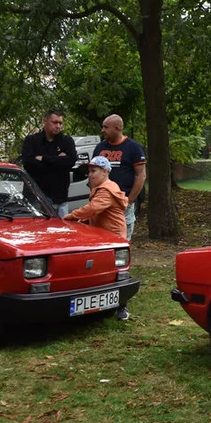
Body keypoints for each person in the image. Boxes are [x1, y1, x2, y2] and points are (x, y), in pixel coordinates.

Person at [64, 156, 131, 319]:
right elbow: (97, 214)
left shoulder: (106, 190)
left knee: (118, 272)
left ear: (105, 172)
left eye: (94, 171)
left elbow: (93, 208)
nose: (90, 175)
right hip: (104, 236)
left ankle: (122, 307)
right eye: (89, 171)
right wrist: (84, 221)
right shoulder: (104, 188)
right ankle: (98, 303)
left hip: (113, 237)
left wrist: (71, 216)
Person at [93, 115, 147, 242]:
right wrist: (94, 195)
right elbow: (92, 173)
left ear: (117, 128)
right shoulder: (100, 148)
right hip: (102, 203)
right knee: (101, 241)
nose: (102, 130)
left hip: (122, 204)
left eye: (106, 127)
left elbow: (141, 176)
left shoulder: (133, 148)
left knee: (121, 242)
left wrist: (129, 201)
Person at [21, 109, 77, 215]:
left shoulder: (66, 141)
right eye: (55, 122)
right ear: (45, 121)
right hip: (37, 197)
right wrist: (58, 160)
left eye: (60, 123)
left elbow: (71, 161)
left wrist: (44, 158)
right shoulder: (32, 141)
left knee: (61, 230)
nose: (58, 126)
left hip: (60, 198)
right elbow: (28, 164)